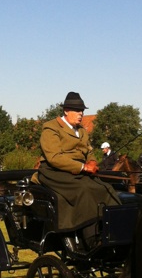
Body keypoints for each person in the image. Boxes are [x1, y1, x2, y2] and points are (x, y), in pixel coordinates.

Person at [32, 91, 120, 244]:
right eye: (77, 111)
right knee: (84, 190)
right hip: (54, 172)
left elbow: (89, 152)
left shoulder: (82, 131)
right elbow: (54, 157)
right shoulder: (51, 128)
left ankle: (114, 232)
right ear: (66, 111)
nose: (81, 114)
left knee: (106, 188)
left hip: (78, 171)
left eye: (82, 111)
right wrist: (83, 167)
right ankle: (90, 239)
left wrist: (92, 162)